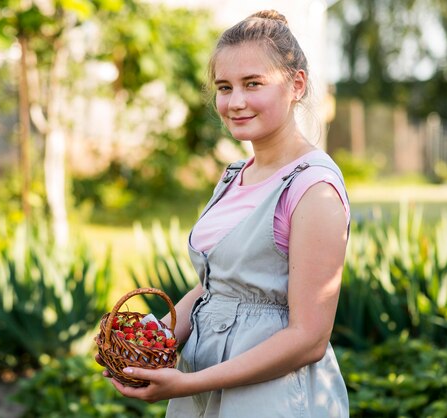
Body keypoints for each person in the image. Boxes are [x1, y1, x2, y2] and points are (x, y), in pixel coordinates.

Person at [98, 9, 350, 417]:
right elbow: (217, 286)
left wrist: (190, 382)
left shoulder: (313, 190)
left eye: (254, 84)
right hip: (204, 384)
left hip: (270, 399)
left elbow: (308, 339)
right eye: (224, 87)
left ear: (296, 85)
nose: (235, 102)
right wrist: (155, 336)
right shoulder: (235, 175)